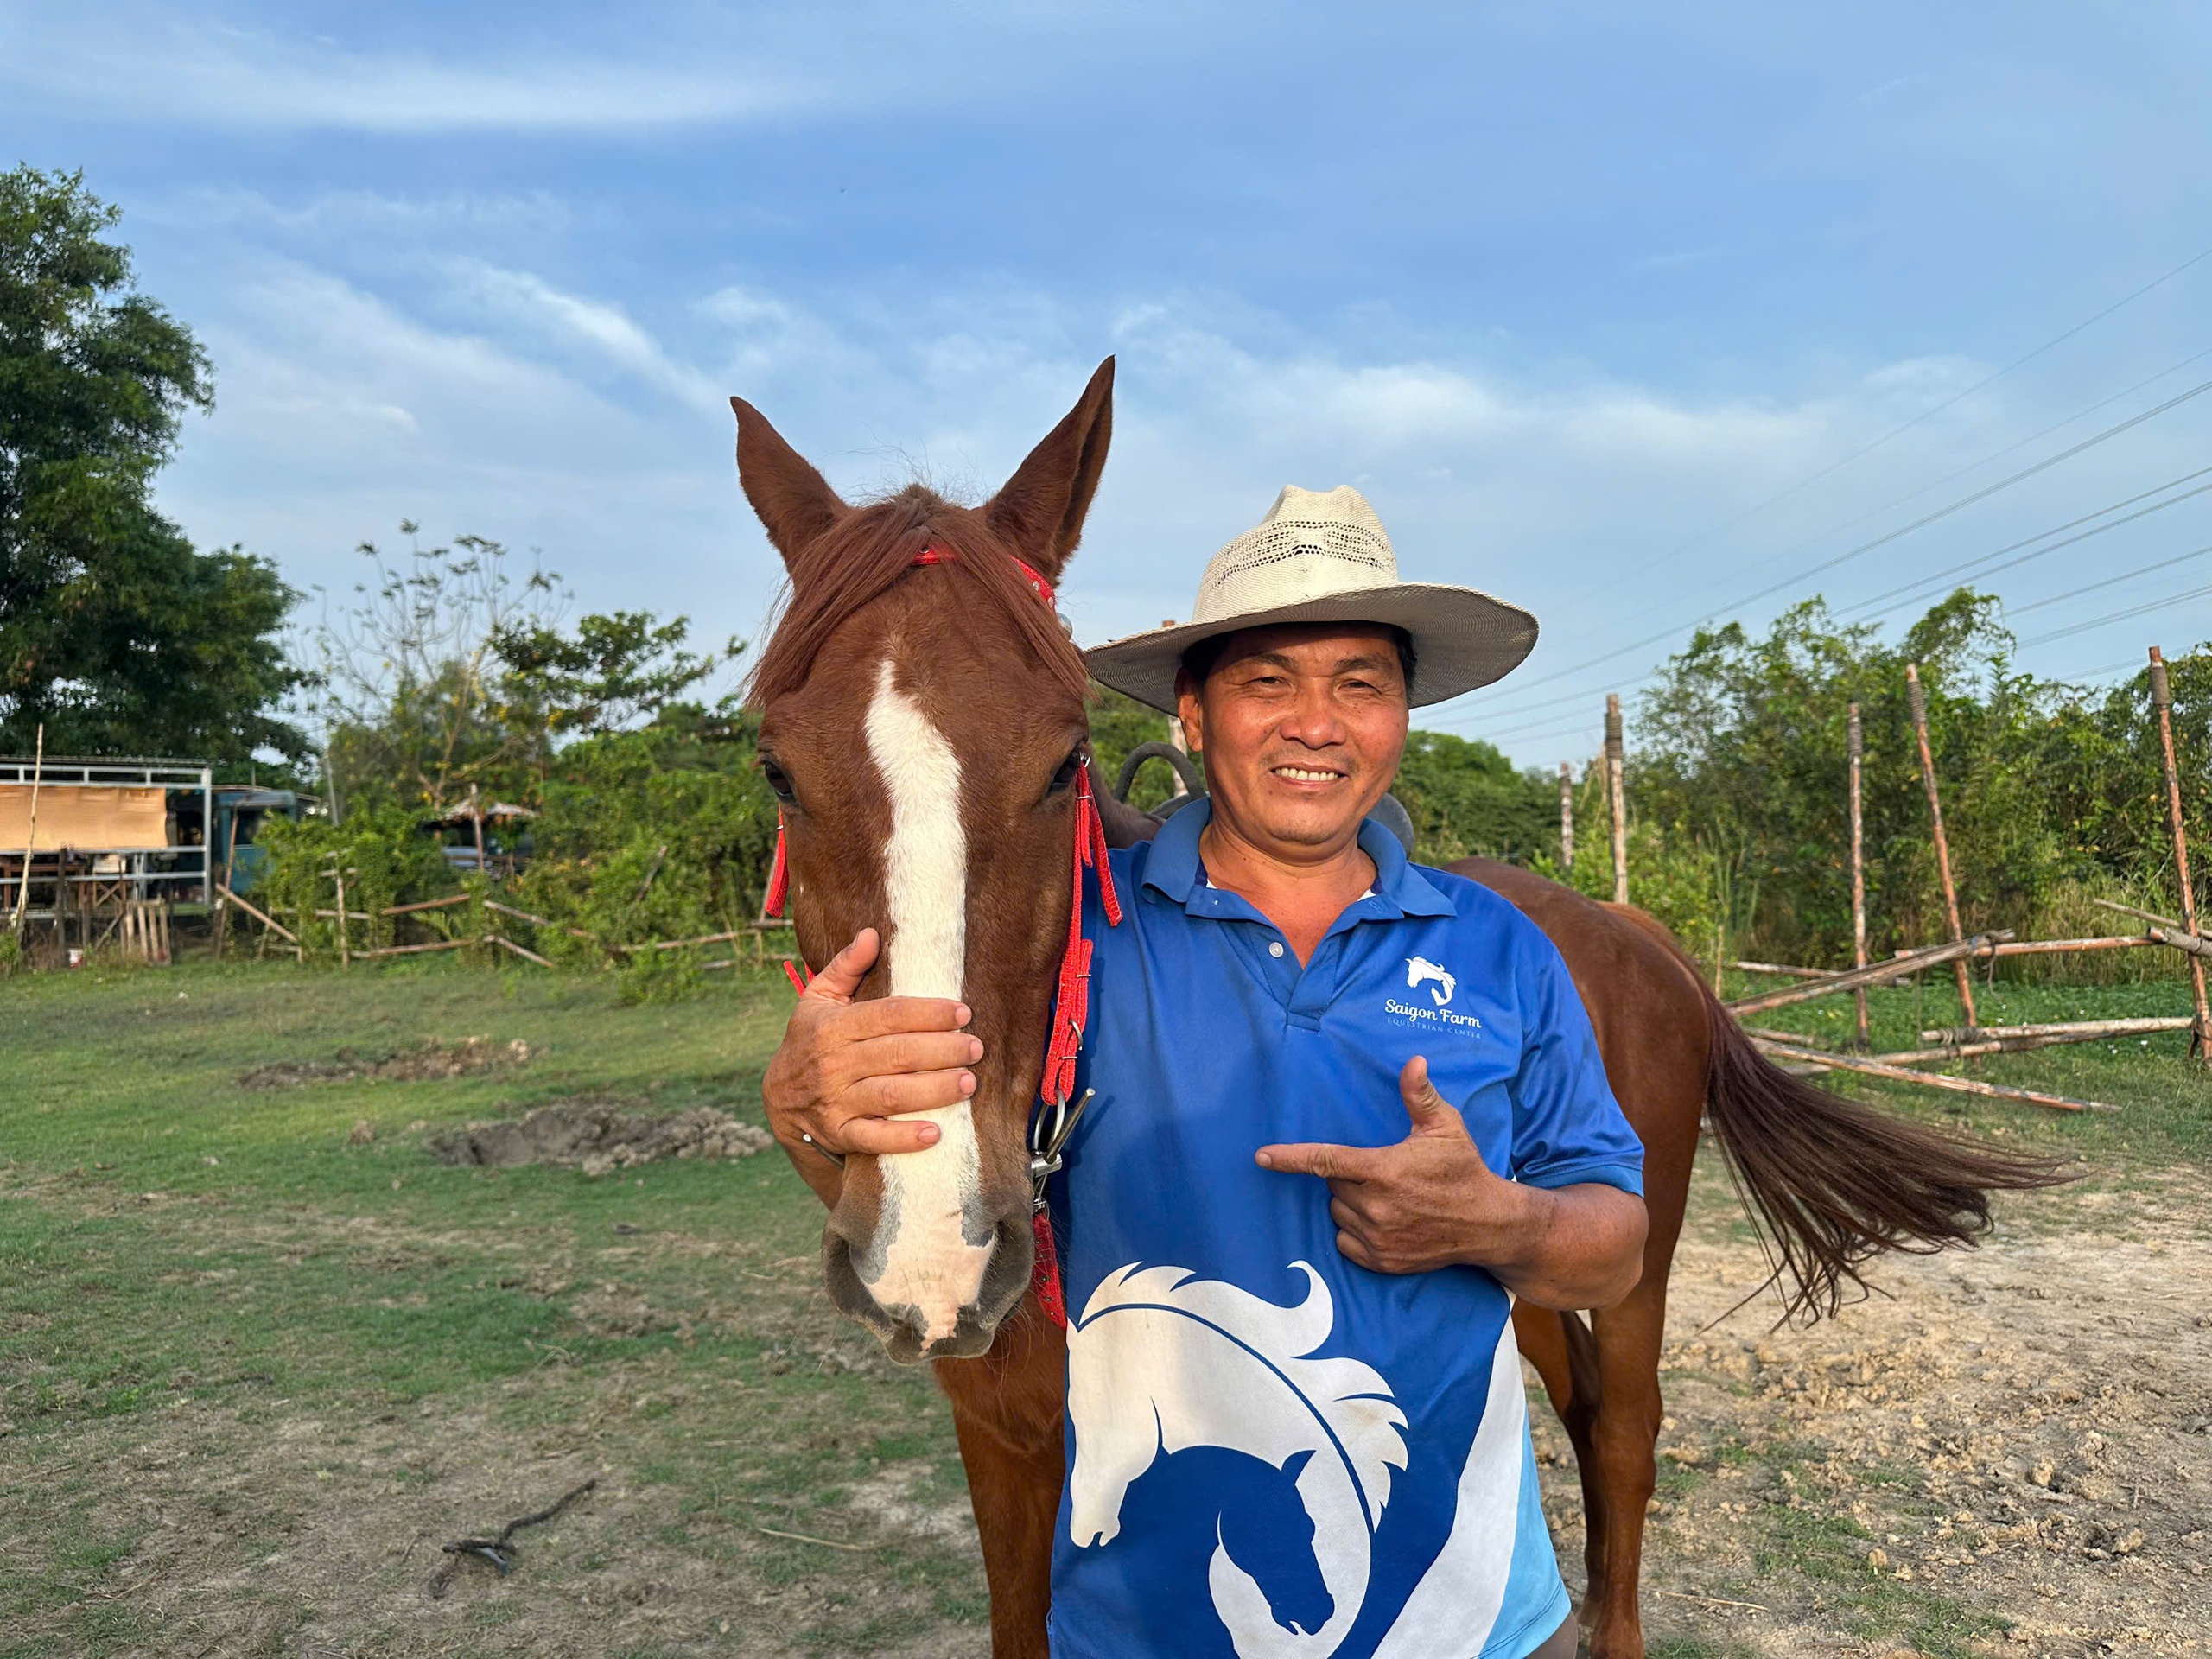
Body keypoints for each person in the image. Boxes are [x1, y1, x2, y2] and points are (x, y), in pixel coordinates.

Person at [762, 485, 1649, 1659]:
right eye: (1267, 681)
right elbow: (929, 1200)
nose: (1316, 725)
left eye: (1361, 684)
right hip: (1154, 1629)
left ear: (1402, 716)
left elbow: (1615, 1247)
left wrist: (1504, 1222)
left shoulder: (1504, 951)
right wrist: (804, 1109)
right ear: (1192, 713)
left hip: (1476, 1616)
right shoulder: (1072, 942)